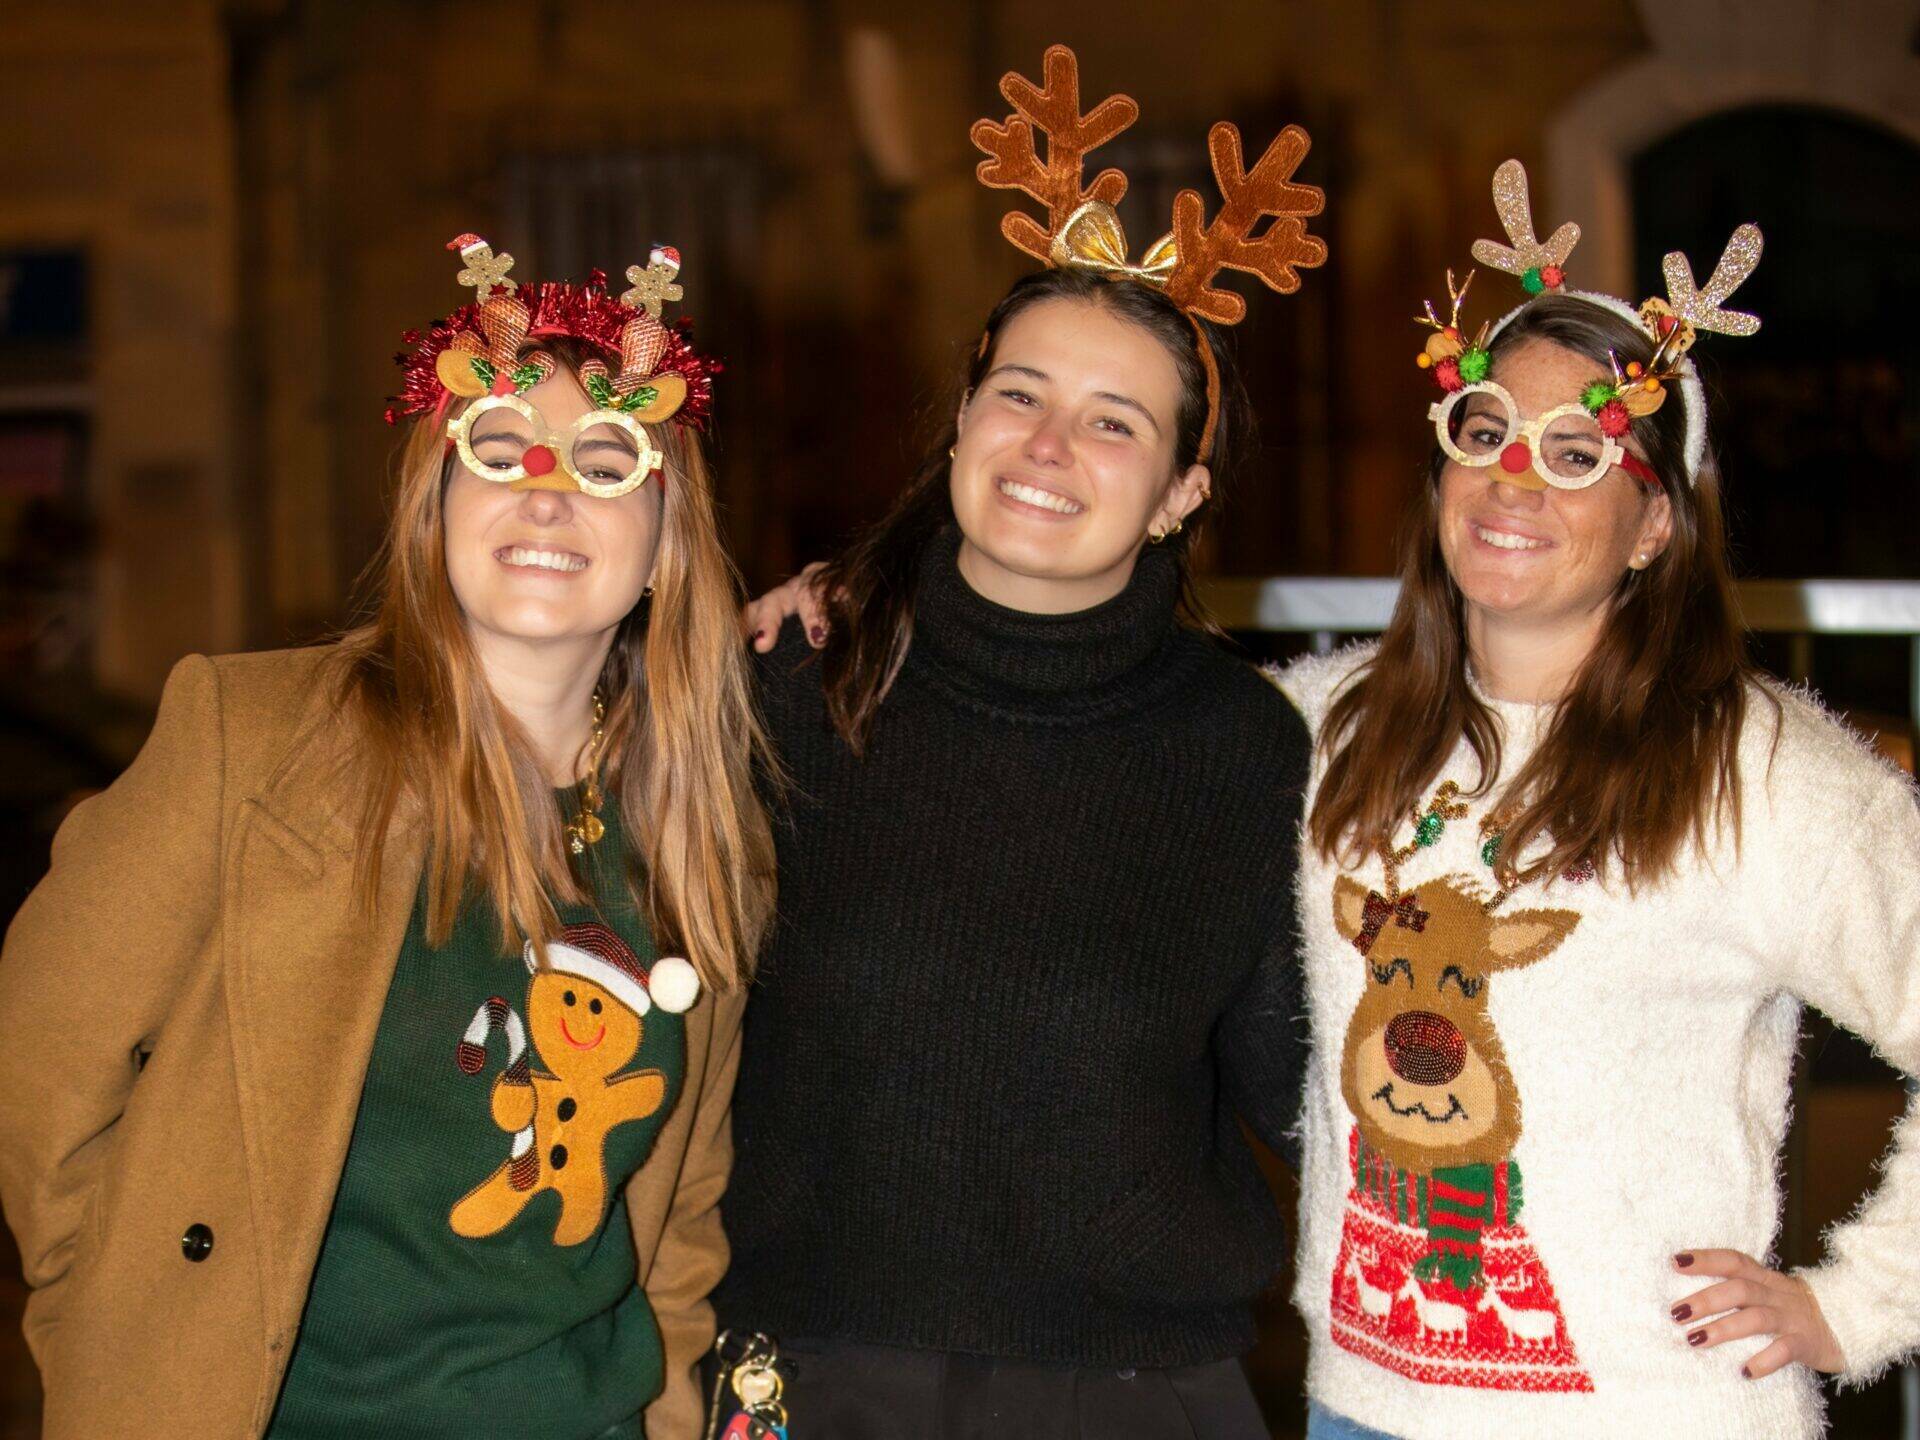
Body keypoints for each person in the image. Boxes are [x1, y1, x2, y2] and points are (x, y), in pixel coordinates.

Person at [0, 235, 775, 1440]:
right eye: (499, 448)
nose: (547, 492)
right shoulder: (249, 740)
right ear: (436, 500)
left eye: (607, 462)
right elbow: (41, 1056)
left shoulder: (701, 836)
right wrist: (115, 1326)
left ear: (666, 541)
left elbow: (680, 1220)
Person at [712, 46, 1328, 1439]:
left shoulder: (1243, 747)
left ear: (1180, 494)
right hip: (804, 1371)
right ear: (960, 426)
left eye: (1115, 423)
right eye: (1021, 394)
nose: (1051, 445)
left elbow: (1317, 1101)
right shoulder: (787, 681)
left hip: (1126, 1391)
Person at [1276, 162, 1920, 1439]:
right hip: (1369, 1408)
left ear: (1653, 527)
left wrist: (1858, 1303)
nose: (1515, 480)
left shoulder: (1768, 776)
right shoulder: (1323, 724)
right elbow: (1102, 714)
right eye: (1484, 432)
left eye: (1579, 453)